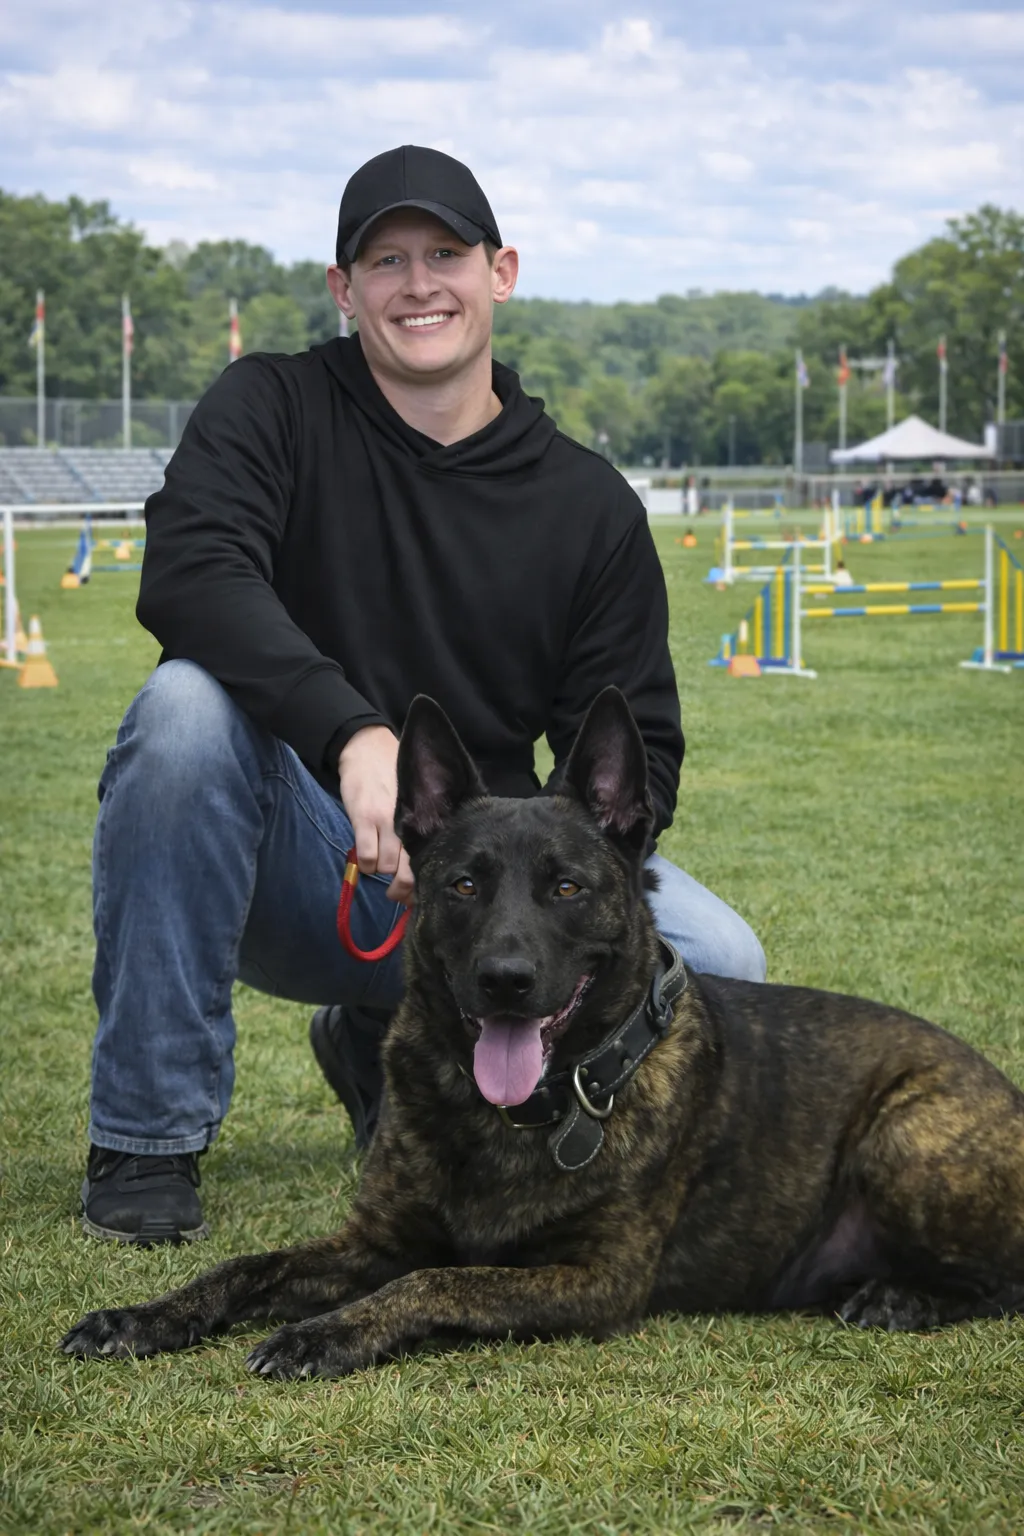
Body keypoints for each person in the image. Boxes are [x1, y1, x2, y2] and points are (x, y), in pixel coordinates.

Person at [80, 145, 767, 1245]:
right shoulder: (274, 405)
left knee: (725, 963)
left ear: (500, 271)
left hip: (482, 884)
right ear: (342, 290)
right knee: (182, 713)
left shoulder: (588, 505)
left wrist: (504, 871)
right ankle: (147, 1140)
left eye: (445, 253)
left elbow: (639, 751)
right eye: (384, 261)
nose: (418, 285)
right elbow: (191, 569)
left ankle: (396, 1044)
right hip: (300, 860)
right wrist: (352, 732)